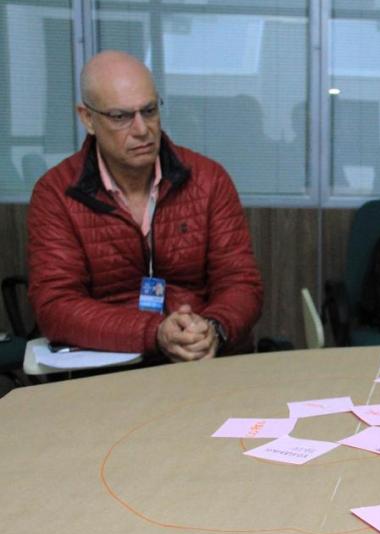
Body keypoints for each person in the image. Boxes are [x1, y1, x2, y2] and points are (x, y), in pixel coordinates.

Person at [27, 51, 263, 362]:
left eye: (149, 111)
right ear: (88, 119)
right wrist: (155, 333)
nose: (142, 130)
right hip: (111, 369)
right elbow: (56, 306)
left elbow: (240, 282)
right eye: (121, 117)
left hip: (205, 361)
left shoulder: (208, 179)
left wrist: (213, 328)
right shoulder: (57, 194)